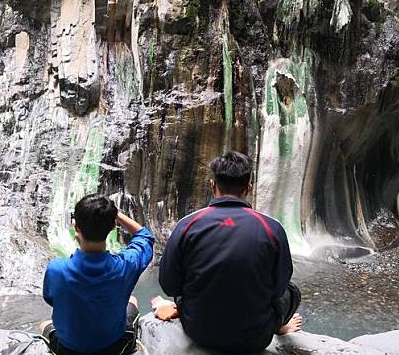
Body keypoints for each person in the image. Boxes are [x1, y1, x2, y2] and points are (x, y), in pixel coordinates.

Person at [156, 151, 302, 353]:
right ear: (249, 188)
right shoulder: (272, 228)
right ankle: (279, 327)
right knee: (292, 290)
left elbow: (169, 286)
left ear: (212, 185)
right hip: (255, 338)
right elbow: (278, 289)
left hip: (199, 332)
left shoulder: (186, 225)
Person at [40, 194, 155, 355]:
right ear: (113, 225)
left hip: (69, 350)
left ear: (76, 226)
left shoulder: (56, 269)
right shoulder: (125, 265)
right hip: (114, 347)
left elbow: (52, 299)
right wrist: (115, 214)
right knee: (132, 300)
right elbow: (145, 236)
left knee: (45, 324)